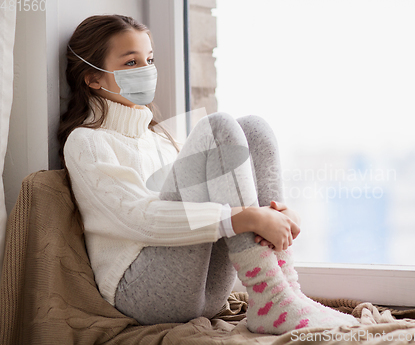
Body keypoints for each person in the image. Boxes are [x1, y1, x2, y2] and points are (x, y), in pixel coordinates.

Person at [59, 14, 358, 335]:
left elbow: (221, 191)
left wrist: (273, 213)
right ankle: (272, 296)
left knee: (254, 127)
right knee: (217, 128)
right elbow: (140, 219)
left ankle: (282, 288)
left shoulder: (160, 137)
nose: (146, 71)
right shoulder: (88, 141)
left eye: (149, 60)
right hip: (141, 292)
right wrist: (246, 218)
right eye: (131, 63)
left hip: (204, 290)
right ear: (94, 79)